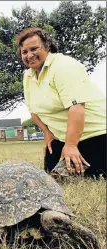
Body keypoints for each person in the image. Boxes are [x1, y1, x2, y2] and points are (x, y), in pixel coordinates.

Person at [16, 27, 106, 178]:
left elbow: (76, 107)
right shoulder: (28, 76)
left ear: (47, 46)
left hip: (96, 133)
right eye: (24, 52)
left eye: (34, 49)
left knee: (96, 175)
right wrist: (47, 133)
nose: (29, 55)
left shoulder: (64, 66)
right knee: (50, 173)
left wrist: (71, 145)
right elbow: (32, 109)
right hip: (62, 138)